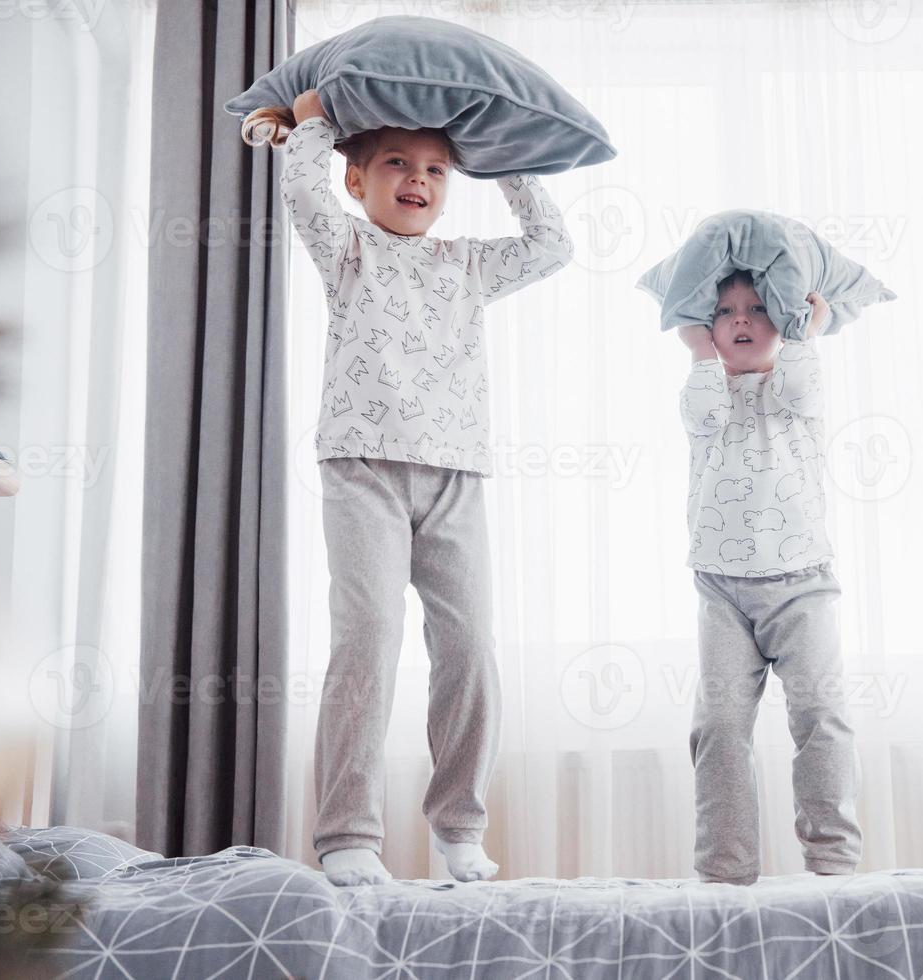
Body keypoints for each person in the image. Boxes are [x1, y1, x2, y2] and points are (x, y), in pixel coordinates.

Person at [278, 88, 573, 886]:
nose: (418, 180)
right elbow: (300, 186)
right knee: (368, 637)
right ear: (359, 182)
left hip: (455, 474)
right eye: (398, 165)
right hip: (363, 468)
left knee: (469, 647)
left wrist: (505, 161)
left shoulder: (467, 264)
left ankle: (460, 826)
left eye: (437, 170)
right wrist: (311, 124)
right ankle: (346, 835)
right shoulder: (345, 248)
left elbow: (551, 245)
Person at [675, 270, 862, 885]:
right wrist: (701, 352)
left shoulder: (792, 386)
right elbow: (702, 413)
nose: (741, 321)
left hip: (801, 584)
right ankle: (724, 870)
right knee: (721, 728)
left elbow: (804, 388)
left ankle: (832, 860)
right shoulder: (705, 389)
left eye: (757, 309)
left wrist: (806, 329)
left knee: (820, 717)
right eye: (725, 312)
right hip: (723, 590)